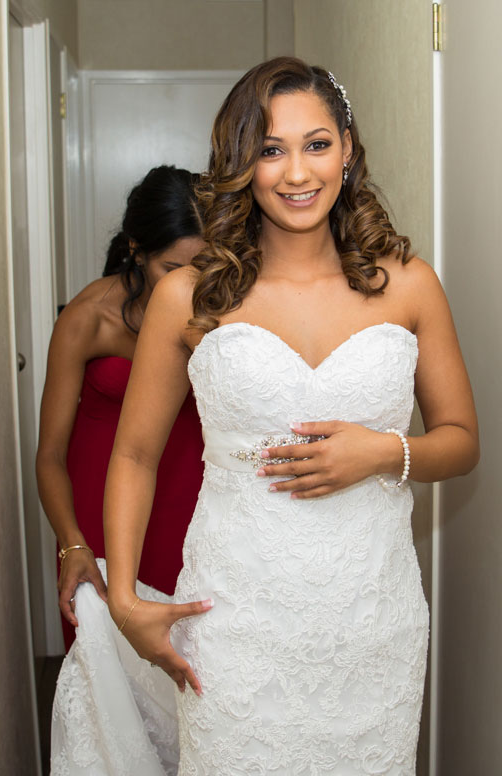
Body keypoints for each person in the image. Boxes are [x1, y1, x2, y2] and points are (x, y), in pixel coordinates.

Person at [99, 57, 480, 774]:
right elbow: (134, 456)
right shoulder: (187, 295)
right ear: (241, 163)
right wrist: (123, 597)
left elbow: (461, 442)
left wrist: (382, 454)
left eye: (316, 143)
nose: (297, 172)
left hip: (372, 620)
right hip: (237, 619)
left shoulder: (409, 284)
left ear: (348, 149)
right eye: (270, 150)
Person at [36, 165, 206, 657]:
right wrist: (73, 545)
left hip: (192, 507)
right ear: (137, 249)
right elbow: (48, 455)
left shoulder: (221, 311)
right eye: (173, 271)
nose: (192, 285)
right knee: (107, 670)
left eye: (207, 267)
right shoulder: (88, 318)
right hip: (98, 518)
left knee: (195, 660)